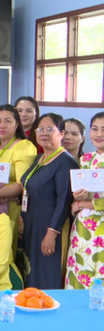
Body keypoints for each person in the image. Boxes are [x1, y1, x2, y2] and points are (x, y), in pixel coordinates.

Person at [20, 113, 78, 289]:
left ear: (61, 133)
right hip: (33, 225)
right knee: (32, 273)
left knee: (47, 274)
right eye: (40, 129)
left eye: (50, 129)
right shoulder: (40, 158)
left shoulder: (66, 161)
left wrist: (52, 233)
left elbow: (64, 200)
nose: (44, 133)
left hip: (50, 228)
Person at [0, 104, 37, 255]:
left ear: (17, 123)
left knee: (4, 252)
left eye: (7, 121)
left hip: (11, 208)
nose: (2, 125)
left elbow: (24, 183)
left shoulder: (23, 146)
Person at [66, 112, 104, 289]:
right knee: (80, 273)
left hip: (101, 229)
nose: (99, 134)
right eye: (95, 129)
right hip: (82, 229)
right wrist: (79, 196)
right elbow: (81, 191)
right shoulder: (86, 159)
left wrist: (82, 204)